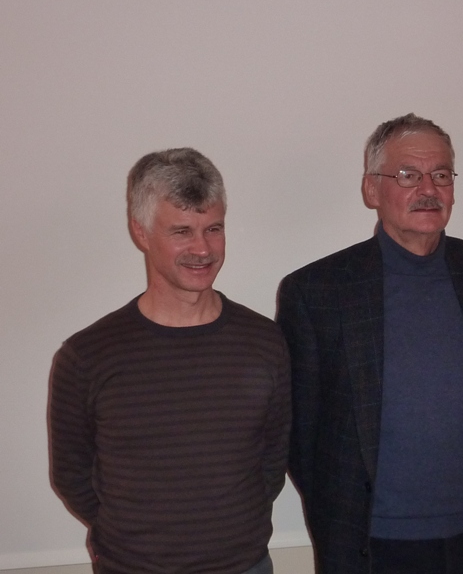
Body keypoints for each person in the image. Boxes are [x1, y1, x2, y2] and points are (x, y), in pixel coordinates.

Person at [277, 114, 463, 574]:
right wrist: (344, 513)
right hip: (375, 545)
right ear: (372, 189)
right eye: (408, 175)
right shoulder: (318, 291)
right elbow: (299, 433)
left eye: (441, 175)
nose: (428, 189)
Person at [48, 148, 291, 574]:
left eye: (213, 228)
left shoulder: (264, 342)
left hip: (245, 566)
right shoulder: (87, 355)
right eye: (181, 231)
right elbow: (72, 474)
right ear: (140, 232)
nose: (202, 248)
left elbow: (273, 461)